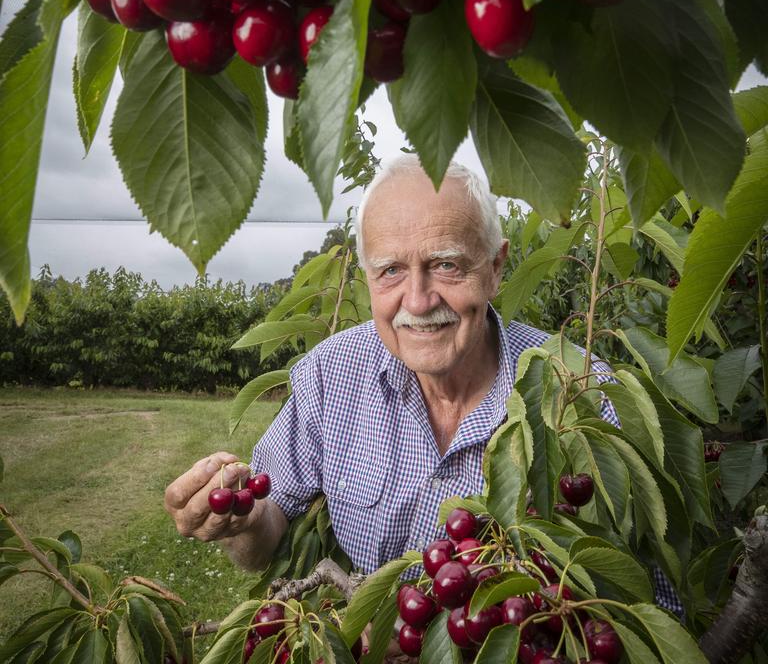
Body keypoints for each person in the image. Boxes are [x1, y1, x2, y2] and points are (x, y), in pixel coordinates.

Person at [164, 156, 677, 608]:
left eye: (446, 265)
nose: (417, 300)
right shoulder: (331, 375)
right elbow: (271, 523)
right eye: (390, 271)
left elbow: (647, 600)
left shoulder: (583, 396)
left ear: (496, 268)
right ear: (368, 279)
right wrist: (244, 520)